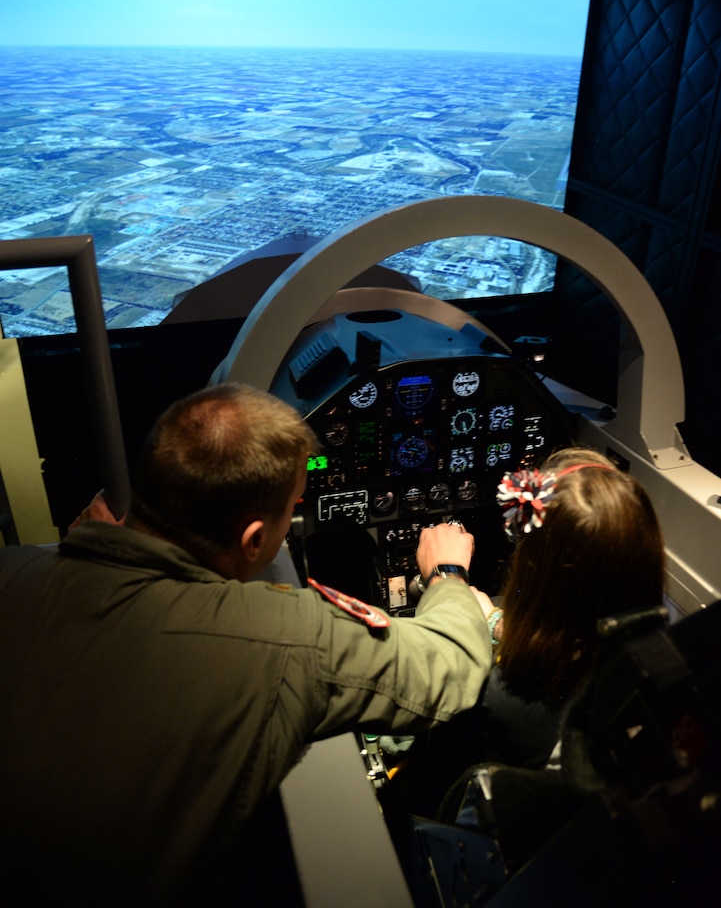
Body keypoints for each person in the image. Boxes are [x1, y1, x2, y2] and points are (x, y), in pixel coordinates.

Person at [0, 382, 494, 907]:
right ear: (255, 539)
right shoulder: (282, 639)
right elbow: (452, 666)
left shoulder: (14, 574)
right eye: (290, 511)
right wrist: (447, 574)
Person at [385, 446, 667, 819]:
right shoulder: (661, 663)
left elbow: (402, 742)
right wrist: (493, 623)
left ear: (535, 571)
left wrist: (446, 578)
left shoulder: (498, 695)